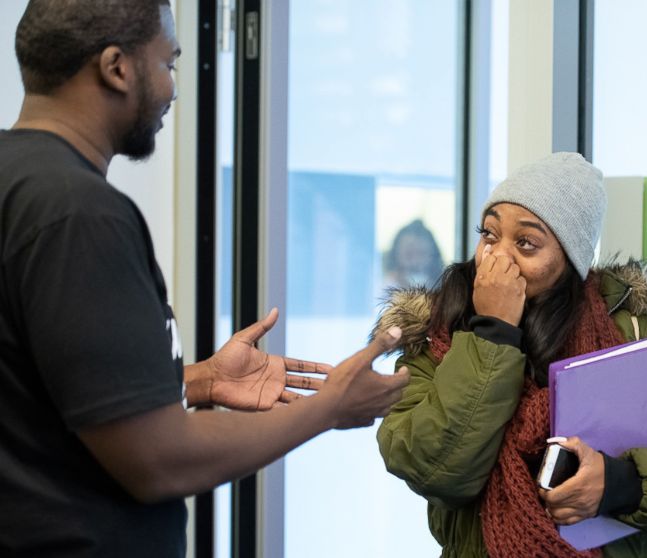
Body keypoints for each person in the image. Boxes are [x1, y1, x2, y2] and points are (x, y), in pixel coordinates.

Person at [0, 1, 409, 556]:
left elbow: (43, 389)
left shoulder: (17, 182)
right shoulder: (79, 213)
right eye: (168, 64)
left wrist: (199, 382)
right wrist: (328, 408)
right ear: (116, 67)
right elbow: (156, 462)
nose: (172, 88)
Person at [374, 152, 647, 557]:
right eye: (488, 234)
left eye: (525, 243)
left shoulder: (630, 331)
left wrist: (620, 483)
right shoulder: (438, 337)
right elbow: (433, 468)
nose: (497, 258)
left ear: (570, 260)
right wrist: (493, 334)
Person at [383, 219, 445, 289]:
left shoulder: (445, 288)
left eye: (421, 253)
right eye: (409, 254)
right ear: (395, 255)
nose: (415, 262)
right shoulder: (384, 286)